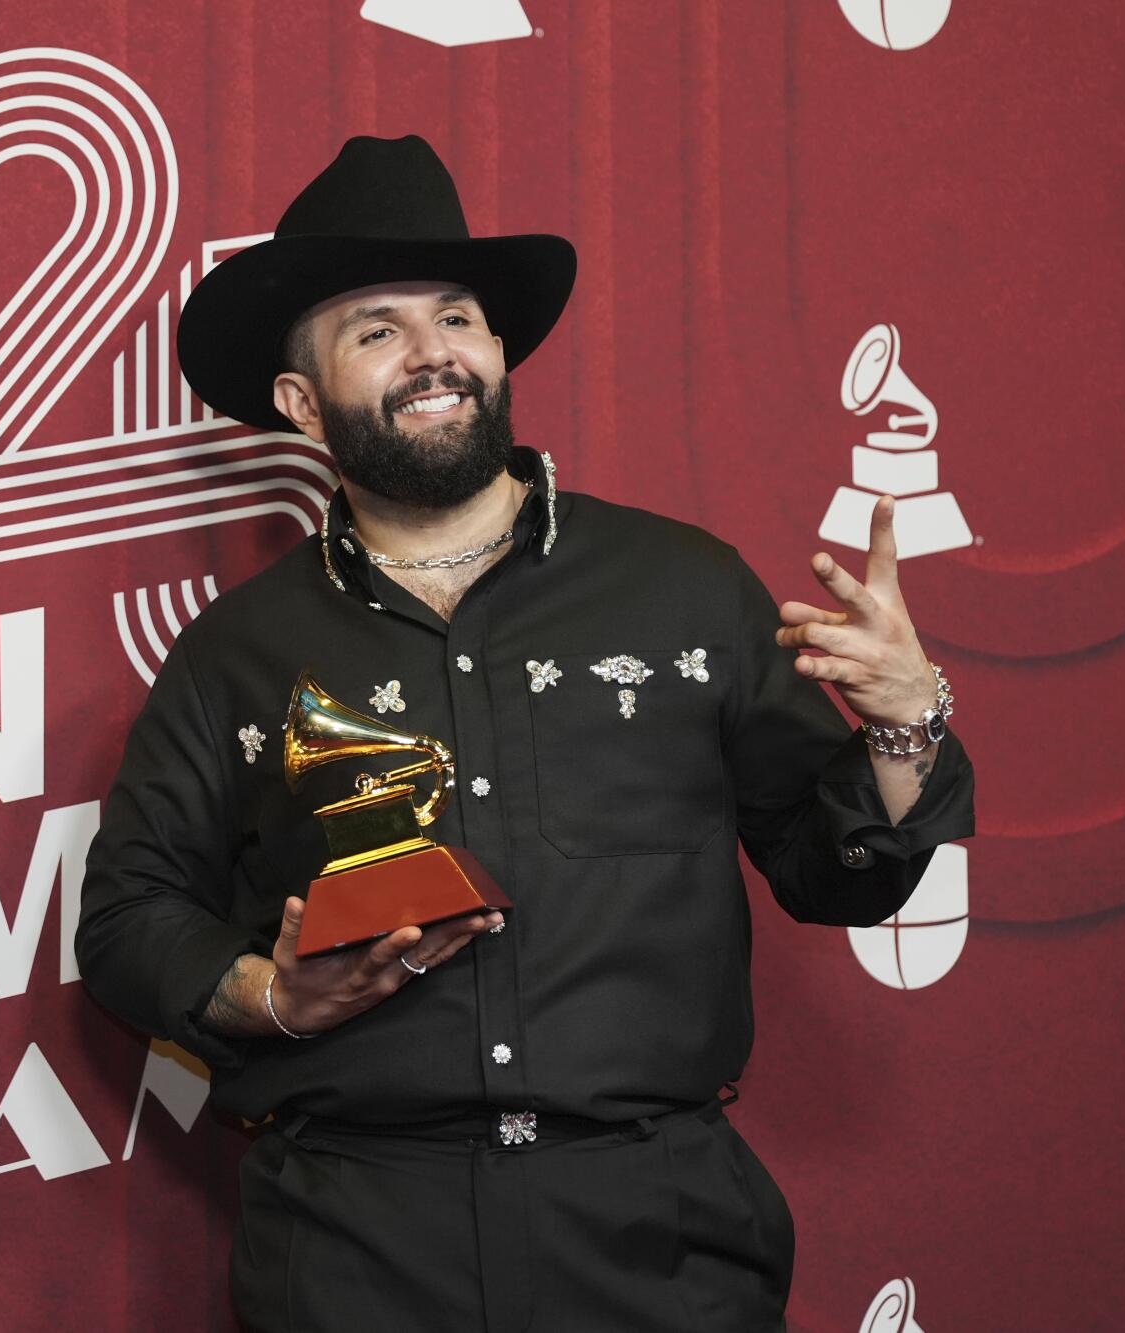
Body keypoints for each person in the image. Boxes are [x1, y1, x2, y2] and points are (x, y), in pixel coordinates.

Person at [74, 135, 974, 1332]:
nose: (431, 351)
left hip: (657, 1242)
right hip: (355, 1248)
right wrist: (269, 995)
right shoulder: (232, 654)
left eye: (455, 316)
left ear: (496, 351)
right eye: (375, 329)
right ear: (300, 401)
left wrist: (907, 718)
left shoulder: (685, 588)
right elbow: (129, 919)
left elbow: (837, 872)